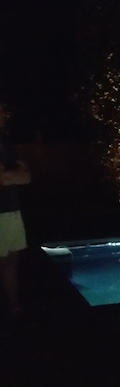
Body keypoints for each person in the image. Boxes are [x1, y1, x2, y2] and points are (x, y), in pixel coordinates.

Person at [0, 105, 30, 326]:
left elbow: (26, 176)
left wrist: (10, 175)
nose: (4, 114)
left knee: (12, 261)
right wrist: (13, 175)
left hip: (11, 210)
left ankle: (14, 307)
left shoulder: (4, 141)